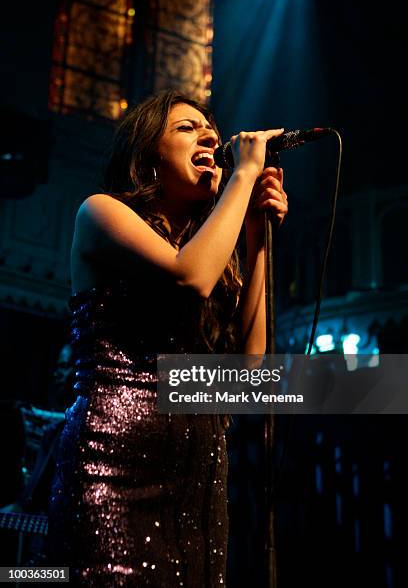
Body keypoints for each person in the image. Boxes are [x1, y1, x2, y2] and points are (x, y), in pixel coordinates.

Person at [47, 89, 288, 586]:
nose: (210, 136)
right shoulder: (100, 214)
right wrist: (244, 175)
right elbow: (188, 278)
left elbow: (247, 376)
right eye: (186, 127)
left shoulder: (215, 258)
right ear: (148, 153)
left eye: (212, 132)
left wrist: (257, 237)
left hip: (197, 481)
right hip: (112, 468)